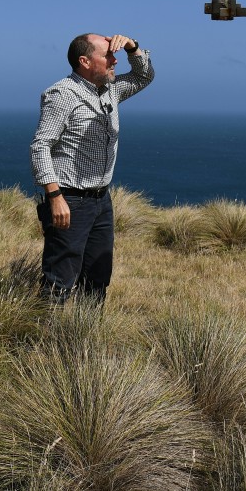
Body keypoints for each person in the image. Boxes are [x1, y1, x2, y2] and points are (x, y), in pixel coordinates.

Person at [30, 33, 155, 305]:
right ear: (85, 61)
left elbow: (143, 76)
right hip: (69, 200)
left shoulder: (109, 89)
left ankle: (85, 338)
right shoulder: (62, 94)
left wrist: (133, 46)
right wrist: (55, 197)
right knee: (59, 280)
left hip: (101, 200)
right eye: (108, 55)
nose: (114, 60)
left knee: (97, 278)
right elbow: (40, 146)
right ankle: (37, 341)